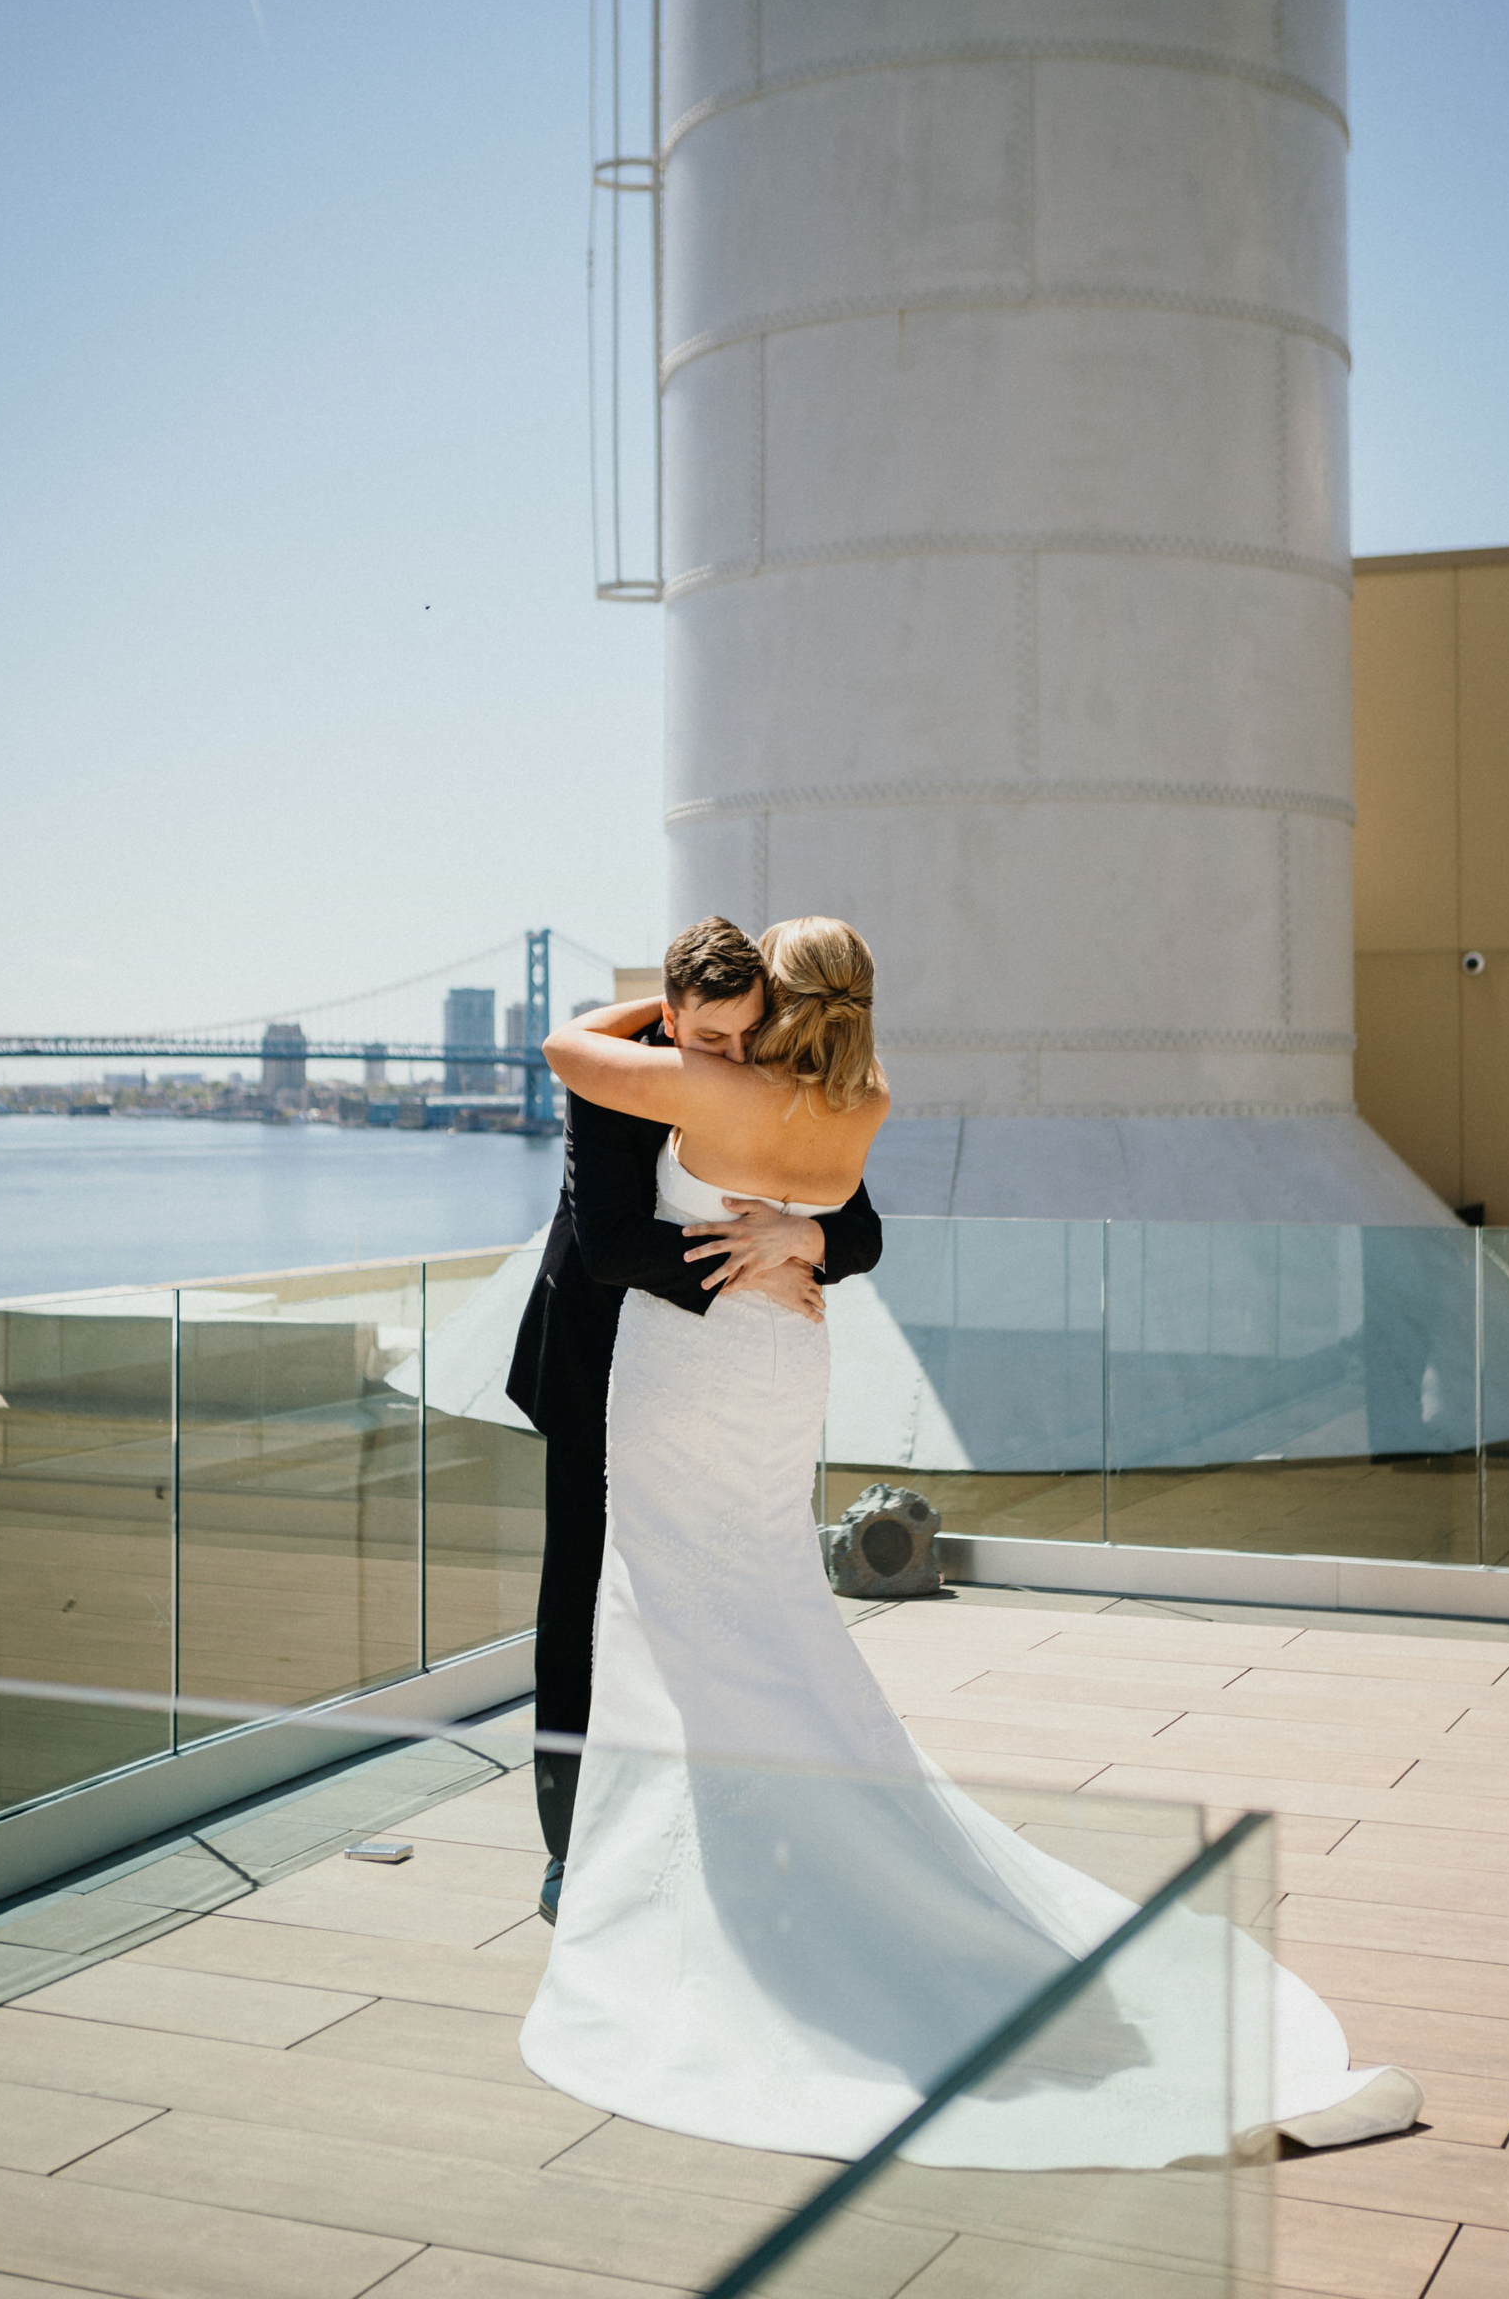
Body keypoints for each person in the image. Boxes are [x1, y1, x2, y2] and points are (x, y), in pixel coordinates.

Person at [517, 913, 1423, 2170]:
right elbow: (844, 1220)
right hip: (782, 1368)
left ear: (773, 1006)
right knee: (766, 1611)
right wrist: (805, 1235)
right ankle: (731, 1836)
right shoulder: (860, 1094)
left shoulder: (692, 1079)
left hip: (691, 1376)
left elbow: (566, 1054)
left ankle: (670, 1877)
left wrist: (646, 1024)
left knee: (674, 1613)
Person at [504, 915, 882, 1918]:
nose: (729, 1059)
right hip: (599, 1367)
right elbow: (612, 1247)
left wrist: (801, 1236)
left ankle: (713, 1804)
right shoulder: (623, 1073)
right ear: (669, 1017)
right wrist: (755, 1266)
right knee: (581, 1601)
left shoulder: (773, 1069)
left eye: (744, 1037)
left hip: (715, 1379)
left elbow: (863, 1224)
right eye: (705, 1039)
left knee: (712, 1589)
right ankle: (566, 1838)